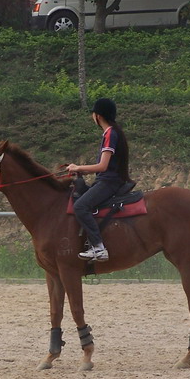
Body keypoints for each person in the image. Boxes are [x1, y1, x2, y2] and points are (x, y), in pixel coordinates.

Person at [67, 98, 131, 262]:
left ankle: (98, 247)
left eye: (93, 114)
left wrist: (78, 168)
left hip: (108, 182)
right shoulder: (114, 132)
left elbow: (102, 166)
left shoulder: (110, 133)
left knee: (80, 206)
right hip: (109, 180)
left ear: (98, 116)